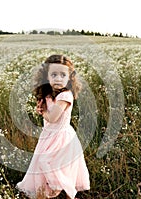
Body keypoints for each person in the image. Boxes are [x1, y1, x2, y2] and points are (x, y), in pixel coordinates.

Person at [16, 54, 90, 199]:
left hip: (61, 138)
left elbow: (52, 117)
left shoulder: (65, 96)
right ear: (46, 77)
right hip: (48, 136)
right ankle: (43, 193)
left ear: (69, 78)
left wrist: (42, 111)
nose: (58, 79)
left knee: (55, 167)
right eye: (54, 74)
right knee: (42, 168)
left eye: (63, 75)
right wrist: (42, 106)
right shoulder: (50, 95)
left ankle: (65, 191)